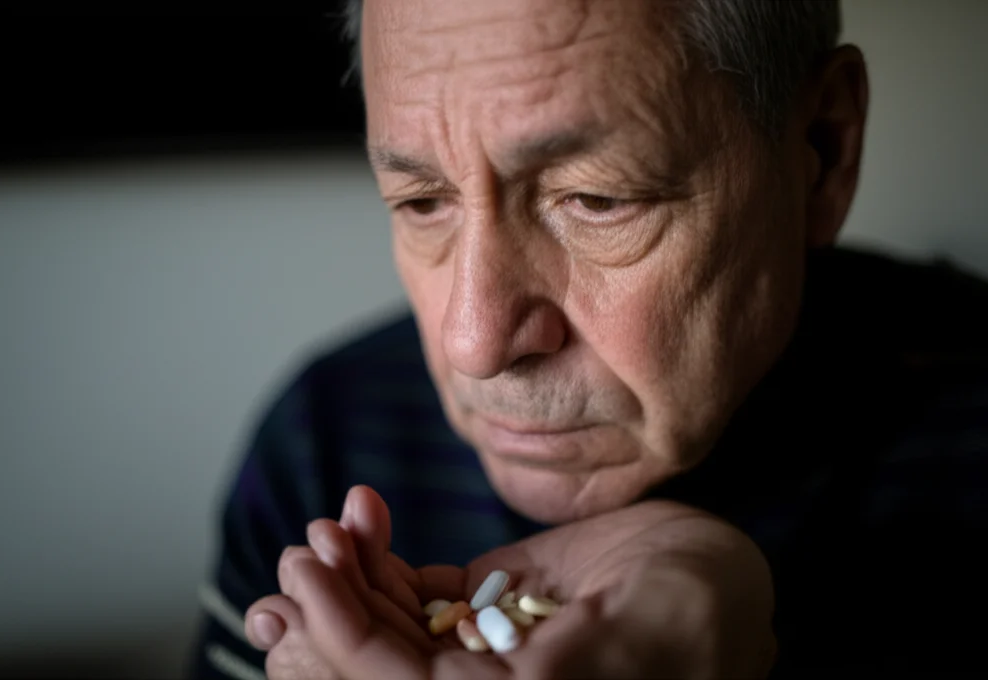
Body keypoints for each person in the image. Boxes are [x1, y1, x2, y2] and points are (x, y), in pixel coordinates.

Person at [188, 0, 988, 677]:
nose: (474, 343)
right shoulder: (324, 443)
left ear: (822, 151)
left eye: (596, 199)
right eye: (422, 201)